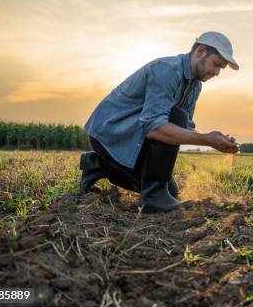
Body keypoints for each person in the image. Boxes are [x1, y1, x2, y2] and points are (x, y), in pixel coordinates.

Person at [79, 31, 240, 213]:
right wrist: (205, 139)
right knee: (156, 187)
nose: (217, 72)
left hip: (134, 136)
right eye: (216, 64)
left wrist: (215, 140)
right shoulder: (167, 70)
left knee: (170, 190)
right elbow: (154, 128)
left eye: (221, 69)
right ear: (201, 51)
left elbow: (185, 128)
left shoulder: (195, 85)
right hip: (110, 133)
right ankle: (153, 197)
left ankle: (97, 165)